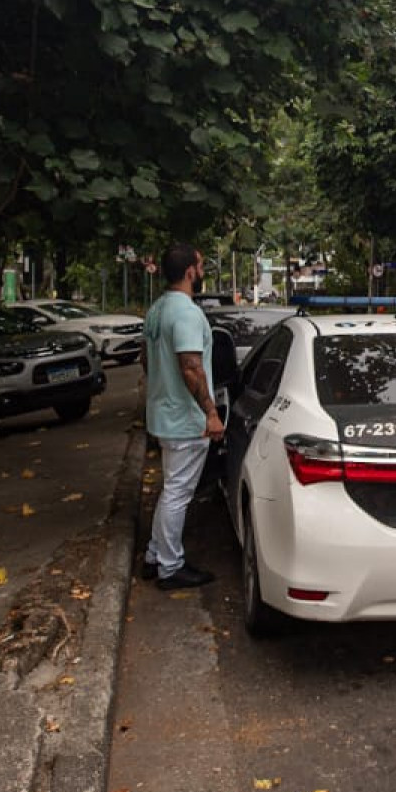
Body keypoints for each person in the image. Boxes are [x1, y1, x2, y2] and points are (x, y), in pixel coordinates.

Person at [140, 242, 222, 589]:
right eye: (200, 267)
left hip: (162, 413)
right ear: (190, 271)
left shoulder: (157, 310)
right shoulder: (186, 313)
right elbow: (191, 366)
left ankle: (154, 556)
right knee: (178, 493)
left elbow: (146, 360)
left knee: (171, 489)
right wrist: (211, 412)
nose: (201, 273)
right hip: (185, 420)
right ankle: (170, 568)